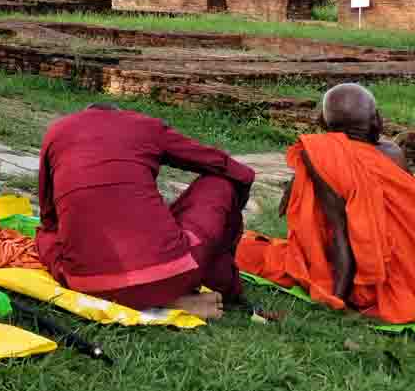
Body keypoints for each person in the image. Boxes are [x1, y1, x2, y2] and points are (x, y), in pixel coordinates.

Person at [35, 103, 254, 318]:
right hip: (170, 273)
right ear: (120, 114)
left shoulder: (56, 132)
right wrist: (236, 207)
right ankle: (223, 288)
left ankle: (151, 298)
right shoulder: (144, 126)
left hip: (87, 284)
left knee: (45, 235)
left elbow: (48, 216)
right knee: (221, 181)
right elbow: (236, 171)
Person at [238, 84, 415, 324]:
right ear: (377, 120)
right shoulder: (393, 152)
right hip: (407, 268)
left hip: (369, 280)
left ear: (323, 122)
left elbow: (342, 232)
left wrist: (336, 298)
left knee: (246, 251)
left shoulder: (321, 154)